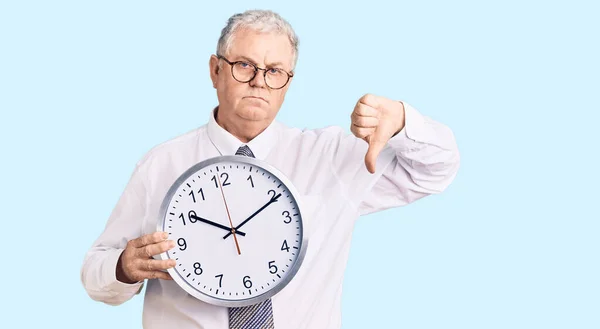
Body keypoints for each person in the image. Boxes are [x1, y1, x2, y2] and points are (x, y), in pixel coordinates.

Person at [80, 9, 460, 329]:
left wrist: (403, 121)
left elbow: (436, 170)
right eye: (245, 65)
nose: (260, 82)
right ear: (215, 71)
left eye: (275, 71)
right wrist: (124, 267)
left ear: (288, 82)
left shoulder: (331, 157)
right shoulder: (161, 165)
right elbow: (95, 274)